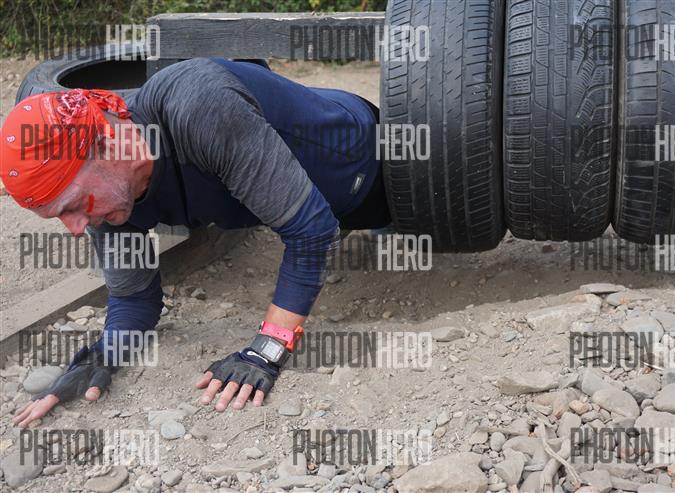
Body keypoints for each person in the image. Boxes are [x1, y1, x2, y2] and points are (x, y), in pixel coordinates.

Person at [1, 58, 391, 427]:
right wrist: (101, 355)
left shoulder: (196, 106)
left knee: (395, 231)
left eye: (71, 206)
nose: (75, 227)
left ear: (106, 145)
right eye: (60, 216)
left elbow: (312, 231)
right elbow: (135, 299)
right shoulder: (109, 202)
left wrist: (267, 350)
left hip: (373, 164)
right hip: (319, 200)